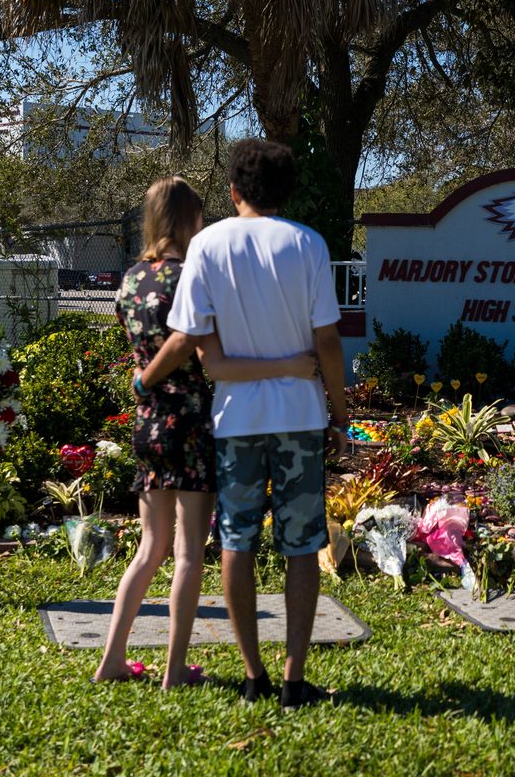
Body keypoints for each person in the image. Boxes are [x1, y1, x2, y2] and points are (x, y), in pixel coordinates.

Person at [137, 139, 347, 710]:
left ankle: (252, 672)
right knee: (302, 546)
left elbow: (191, 340)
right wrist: (340, 414)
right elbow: (327, 340)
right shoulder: (308, 244)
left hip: (234, 420)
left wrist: (144, 381)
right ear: (286, 192)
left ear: (233, 192)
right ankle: (293, 677)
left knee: (237, 542)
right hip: (301, 417)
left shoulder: (206, 245)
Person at [93, 175, 316, 689]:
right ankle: (174, 671)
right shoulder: (188, 276)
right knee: (190, 554)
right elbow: (209, 360)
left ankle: (111, 659)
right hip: (190, 423)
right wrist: (289, 366)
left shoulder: (130, 279)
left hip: (148, 423)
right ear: (190, 219)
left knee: (149, 550)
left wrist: (143, 380)